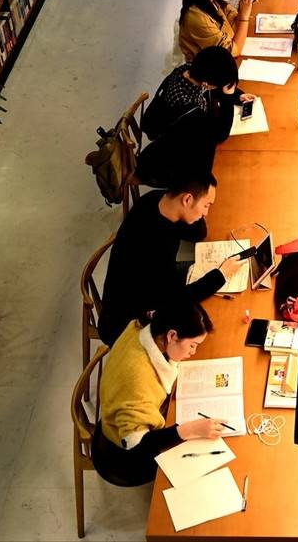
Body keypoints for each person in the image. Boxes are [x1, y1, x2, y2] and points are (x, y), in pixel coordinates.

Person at [93, 299, 229, 486]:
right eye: (192, 345)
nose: (194, 352)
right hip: (122, 458)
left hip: (115, 418)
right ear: (172, 335)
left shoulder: (142, 327)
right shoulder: (138, 377)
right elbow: (137, 446)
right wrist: (190, 430)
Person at [98, 172, 244, 346]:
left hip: (156, 288)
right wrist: (220, 276)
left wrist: (194, 212)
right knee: (206, 332)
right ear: (187, 199)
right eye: (206, 205)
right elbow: (174, 301)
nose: (206, 213)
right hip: (128, 322)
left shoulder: (160, 200)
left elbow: (198, 233)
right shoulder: (149, 244)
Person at [136, 46, 254, 186]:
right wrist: (228, 98)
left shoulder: (189, 70)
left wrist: (236, 95)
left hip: (178, 136)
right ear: (206, 84)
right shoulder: (187, 107)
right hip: (173, 163)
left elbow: (211, 90)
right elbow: (220, 134)